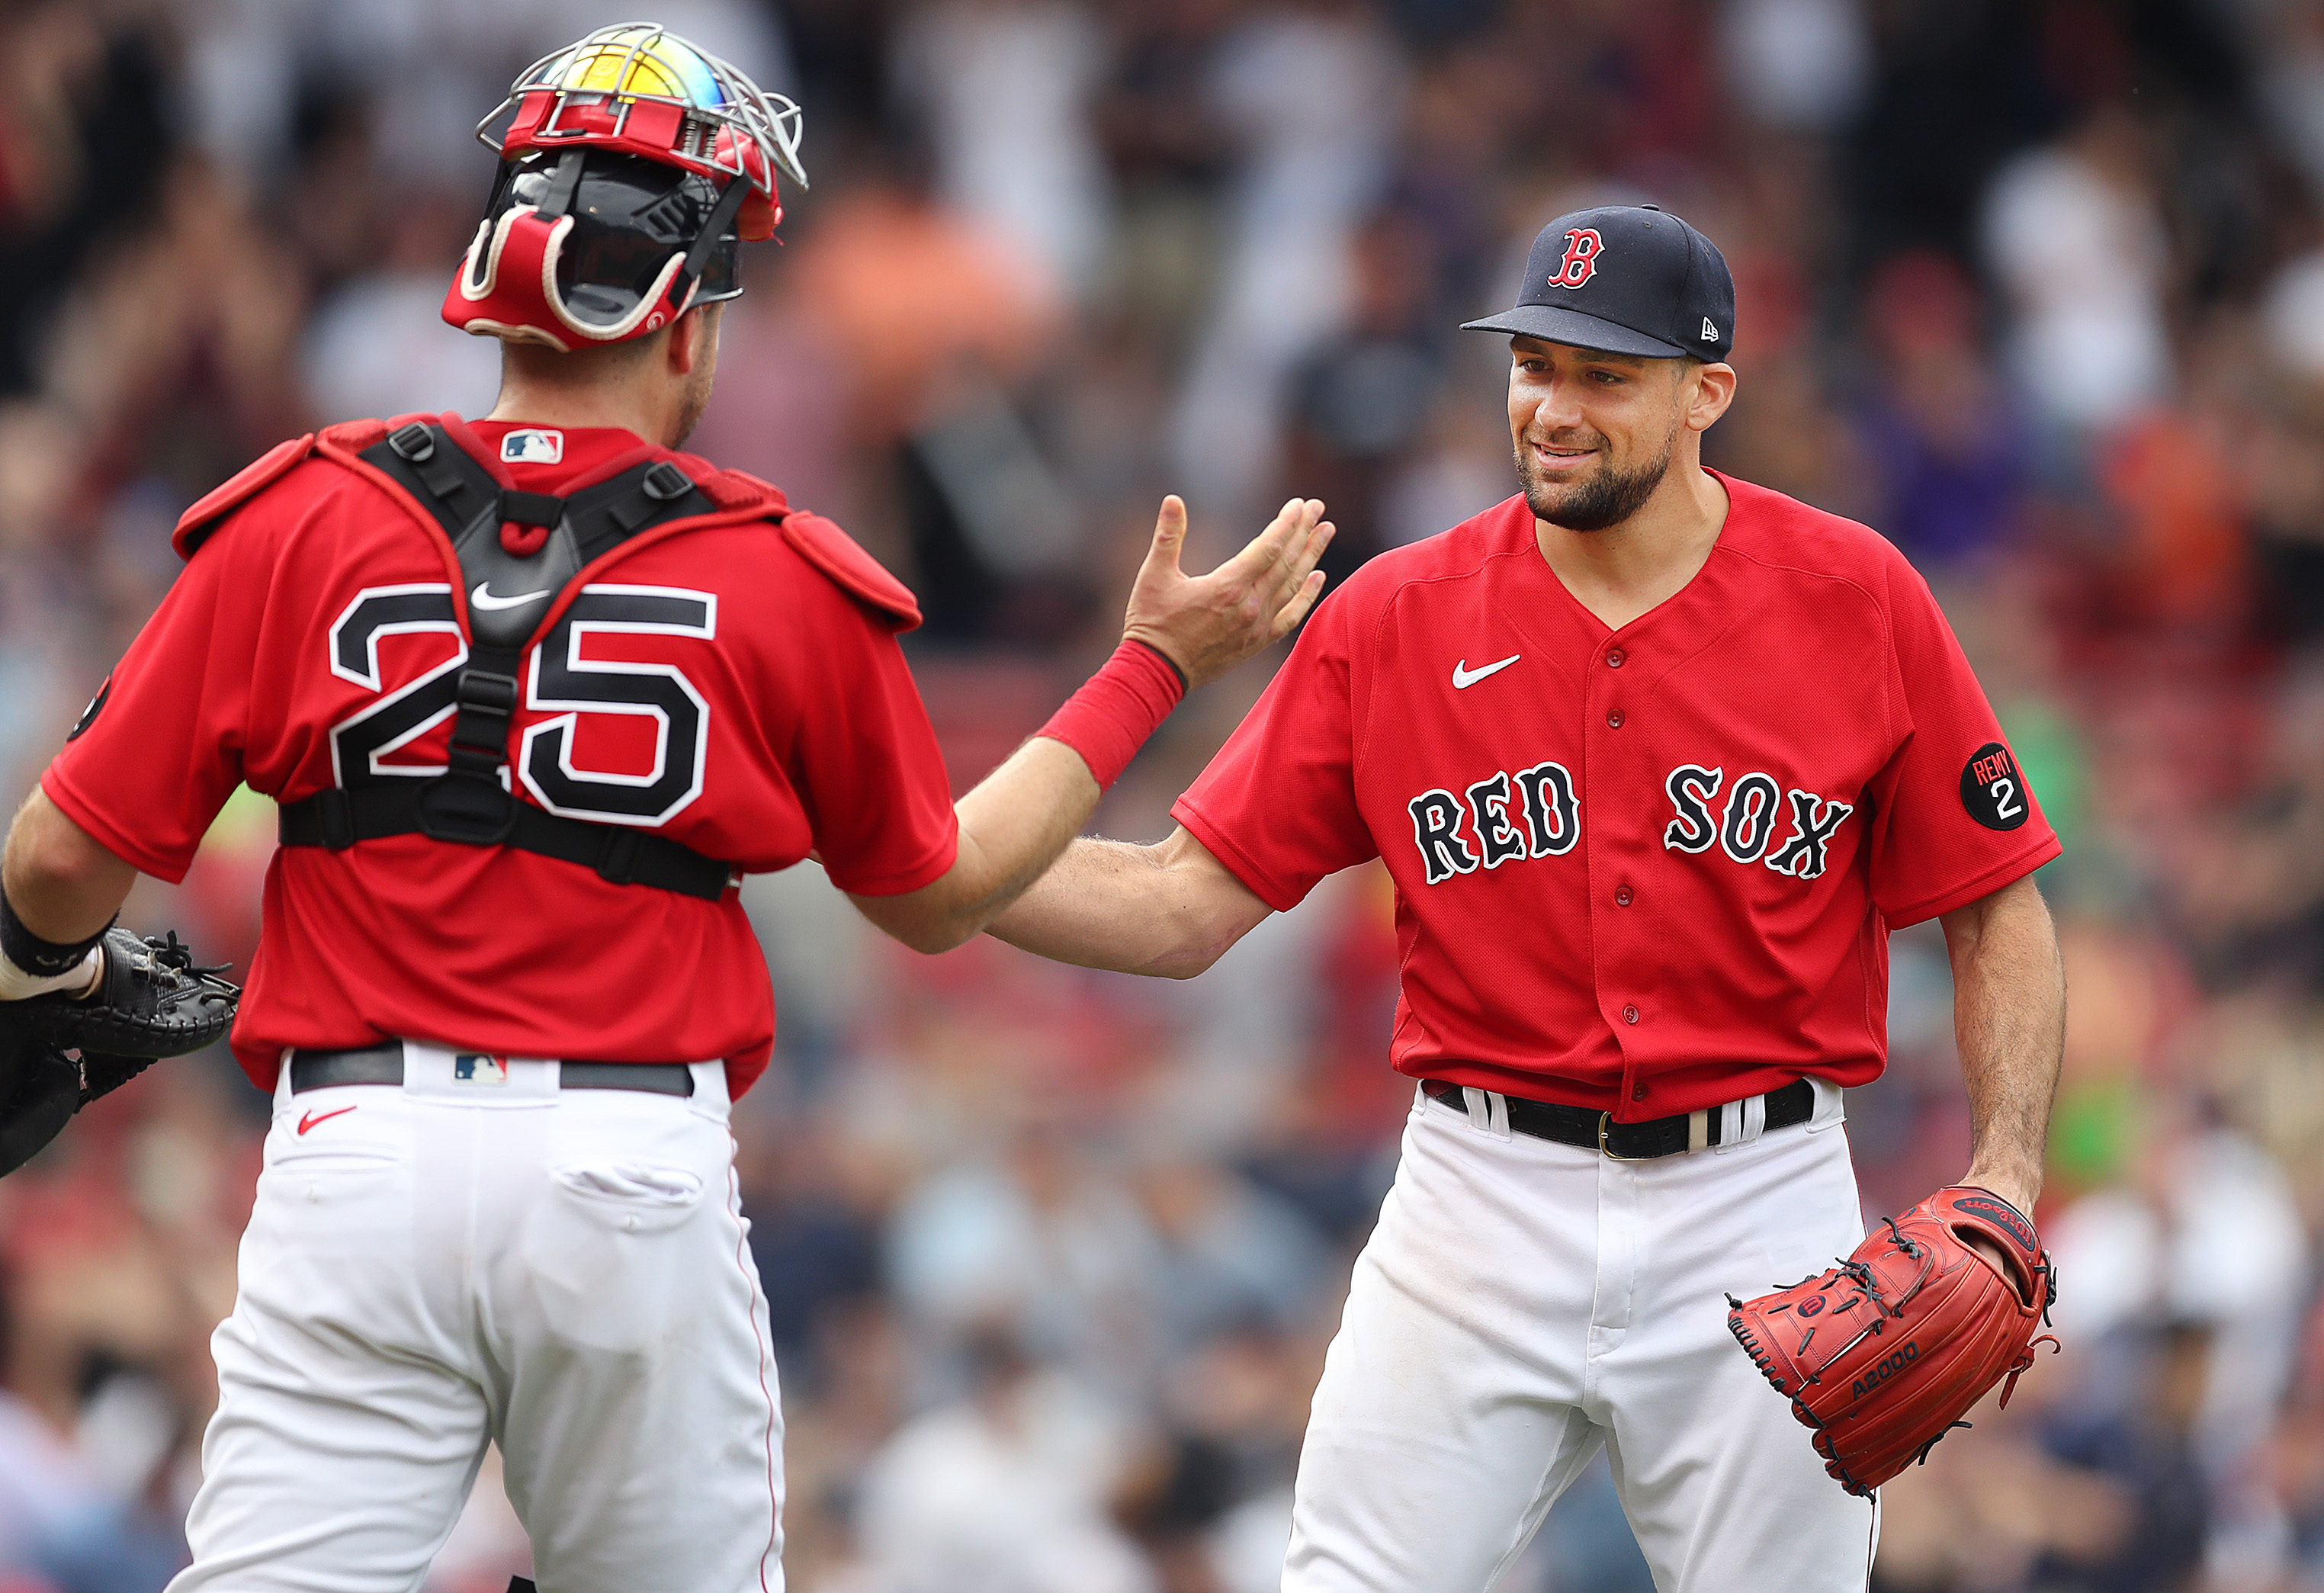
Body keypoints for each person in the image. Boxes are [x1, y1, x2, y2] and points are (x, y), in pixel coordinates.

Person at [0, 24, 1329, 1593]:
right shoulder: (778, 568)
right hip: (623, 1171)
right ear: (686, 316)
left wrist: (55, 982)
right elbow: (937, 893)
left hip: (351, 1152)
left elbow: (55, 857)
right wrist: (1152, 668)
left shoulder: (299, 508)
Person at [990, 204, 2066, 1589]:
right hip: (1476, 1196)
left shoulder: (1854, 595)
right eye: (1533, 366)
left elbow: (1997, 902)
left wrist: (2009, 1171)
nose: (1554, 409)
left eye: (1604, 376)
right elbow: (1182, 904)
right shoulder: (1396, 613)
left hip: (1761, 1199)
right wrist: (925, 860)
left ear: (1707, 394)